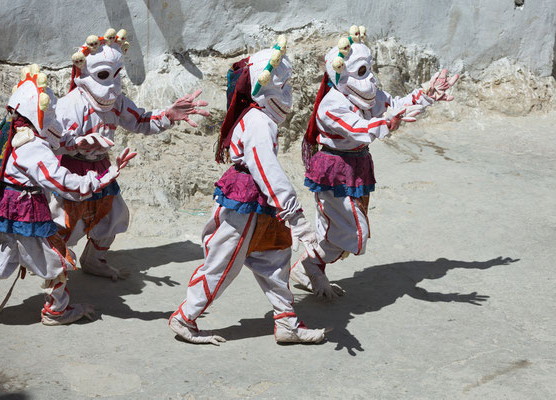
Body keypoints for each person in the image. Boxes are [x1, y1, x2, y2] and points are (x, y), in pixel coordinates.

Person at [169, 36, 327, 345]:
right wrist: (296, 217)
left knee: (276, 259)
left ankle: (286, 322)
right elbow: (267, 171)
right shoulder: (258, 122)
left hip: (259, 204)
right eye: (283, 87)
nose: (289, 94)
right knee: (223, 265)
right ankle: (184, 318)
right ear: (265, 89)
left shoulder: (260, 117)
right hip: (247, 202)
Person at [0, 65, 136, 333]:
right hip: (25, 214)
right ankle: (57, 310)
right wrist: (105, 176)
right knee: (56, 259)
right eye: (48, 111)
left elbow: (57, 142)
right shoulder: (33, 147)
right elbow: (63, 183)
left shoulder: (13, 133)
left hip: (2, 211)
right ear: (34, 113)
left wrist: (80, 142)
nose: (53, 116)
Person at [291, 26, 459, 298]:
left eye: (369, 69)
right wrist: (388, 122)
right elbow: (358, 128)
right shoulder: (331, 104)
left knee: (337, 228)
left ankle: (311, 269)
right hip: (334, 169)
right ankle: (309, 265)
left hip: (358, 166)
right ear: (341, 74)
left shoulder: (368, 96)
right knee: (352, 231)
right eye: (361, 72)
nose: (370, 78)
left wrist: (427, 94)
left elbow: (395, 103)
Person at [51, 28, 210, 281]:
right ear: (84, 72)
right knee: (64, 225)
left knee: (112, 216)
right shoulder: (70, 105)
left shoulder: (118, 102)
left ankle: (94, 260)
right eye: (104, 75)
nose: (113, 84)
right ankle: (55, 281)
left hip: (103, 169)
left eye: (117, 75)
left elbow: (141, 120)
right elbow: (52, 141)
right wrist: (78, 143)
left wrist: (169, 115)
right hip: (72, 170)